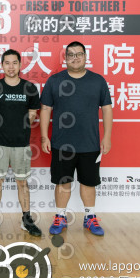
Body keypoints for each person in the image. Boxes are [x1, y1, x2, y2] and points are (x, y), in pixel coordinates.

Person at [40, 41, 113, 237]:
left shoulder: (98, 81)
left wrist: (107, 136)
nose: (75, 58)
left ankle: (90, 217)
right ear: (65, 58)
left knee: (88, 182)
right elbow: (45, 109)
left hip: (90, 143)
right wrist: (44, 136)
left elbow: (107, 109)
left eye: (79, 54)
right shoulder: (55, 81)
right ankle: (60, 217)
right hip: (61, 143)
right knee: (62, 182)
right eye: (70, 55)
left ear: (85, 56)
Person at [0, 49, 42, 237]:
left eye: (14, 63)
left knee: (22, 183)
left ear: (20, 64)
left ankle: (26, 219)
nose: (11, 67)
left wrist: (17, 124)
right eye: (7, 63)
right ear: (2, 65)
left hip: (21, 144)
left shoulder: (29, 88)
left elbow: (33, 115)